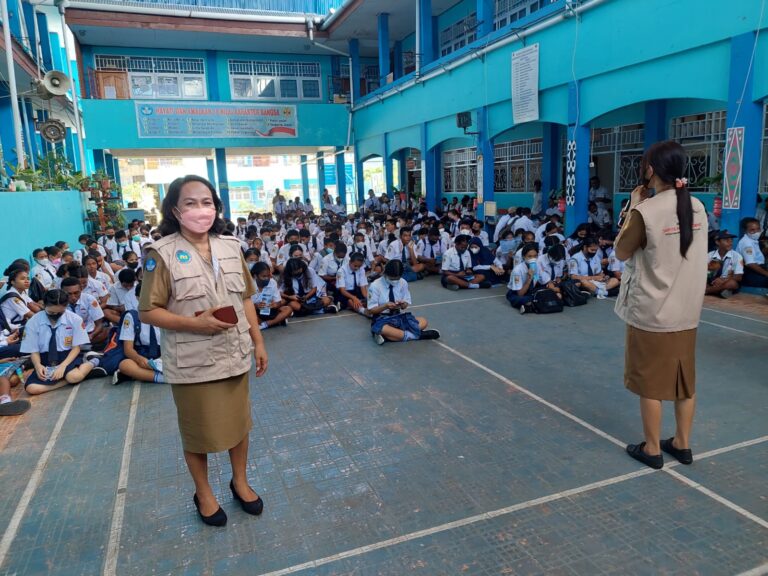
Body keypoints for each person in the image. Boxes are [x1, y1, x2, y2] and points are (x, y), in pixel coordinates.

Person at [138, 175, 268, 527]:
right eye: (191, 203)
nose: (201, 210)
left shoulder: (230, 246)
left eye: (207, 202)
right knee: (198, 432)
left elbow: (244, 298)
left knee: (239, 425)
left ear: (216, 207)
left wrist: (257, 341)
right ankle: (203, 492)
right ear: (175, 210)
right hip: (193, 359)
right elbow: (148, 311)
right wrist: (195, 324)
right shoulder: (161, 254)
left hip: (234, 352)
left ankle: (239, 481)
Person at [614, 140, 707, 470]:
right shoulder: (697, 206)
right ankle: (682, 443)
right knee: (684, 382)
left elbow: (621, 251)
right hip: (687, 312)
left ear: (650, 170)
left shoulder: (645, 212)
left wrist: (631, 206)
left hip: (652, 313)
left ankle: (652, 448)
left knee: (650, 384)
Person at [20, 289, 105, 396]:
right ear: (44, 305)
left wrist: (63, 366)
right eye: (51, 312)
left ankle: (93, 361)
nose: (55, 315)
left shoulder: (74, 319)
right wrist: (38, 366)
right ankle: (65, 381)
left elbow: (76, 348)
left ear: (66, 307)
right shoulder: (33, 322)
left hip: (67, 356)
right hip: (45, 360)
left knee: (74, 377)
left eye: (60, 312)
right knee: (31, 389)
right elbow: (34, 350)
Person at [366, 260, 440, 345]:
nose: (394, 281)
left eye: (397, 279)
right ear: (385, 273)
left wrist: (402, 304)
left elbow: (405, 304)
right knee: (383, 328)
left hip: (397, 316)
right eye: (391, 278)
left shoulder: (403, 283)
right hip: (381, 318)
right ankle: (418, 336)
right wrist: (385, 306)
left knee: (423, 321)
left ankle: (392, 336)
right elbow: (371, 310)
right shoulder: (375, 286)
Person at [250, 262, 292, 330]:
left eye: (268, 275)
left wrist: (275, 305)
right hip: (255, 312)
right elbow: (246, 305)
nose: (267, 278)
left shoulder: (272, 282)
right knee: (250, 317)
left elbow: (278, 302)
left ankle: (266, 324)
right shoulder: (250, 285)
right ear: (255, 276)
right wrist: (256, 306)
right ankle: (277, 321)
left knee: (288, 309)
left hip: (270, 310)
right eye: (264, 276)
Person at [706, 231, 743, 298]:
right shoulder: (710, 255)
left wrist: (723, 280)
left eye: (731, 240)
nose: (730, 243)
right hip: (711, 281)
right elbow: (702, 271)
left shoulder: (737, 256)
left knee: (732, 283)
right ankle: (719, 291)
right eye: (726, 240)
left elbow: (738, 277)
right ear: (717, 242)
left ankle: (708, 291)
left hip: (726, 281)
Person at [506, 242, 541, 314]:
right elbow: (520, 293)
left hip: (530, 291)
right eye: (529, 256)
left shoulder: (537, 266)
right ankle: (531, 305)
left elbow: (536, 281)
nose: (533, 259)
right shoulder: (517, 270)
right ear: (524, 257)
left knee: (544, 294)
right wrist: (529, 278)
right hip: (516, 293)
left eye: (535, 256)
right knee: (522, 299)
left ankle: (529, 306)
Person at [737, 217, 768, 288]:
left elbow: (756, 256)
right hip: (749, 272)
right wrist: (766, 273)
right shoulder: (746, 243)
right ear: (745, 231)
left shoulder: (753, 240)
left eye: (758, 229)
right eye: (752, 230)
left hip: (757, 269)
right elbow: (750, 264)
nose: (756, 232)